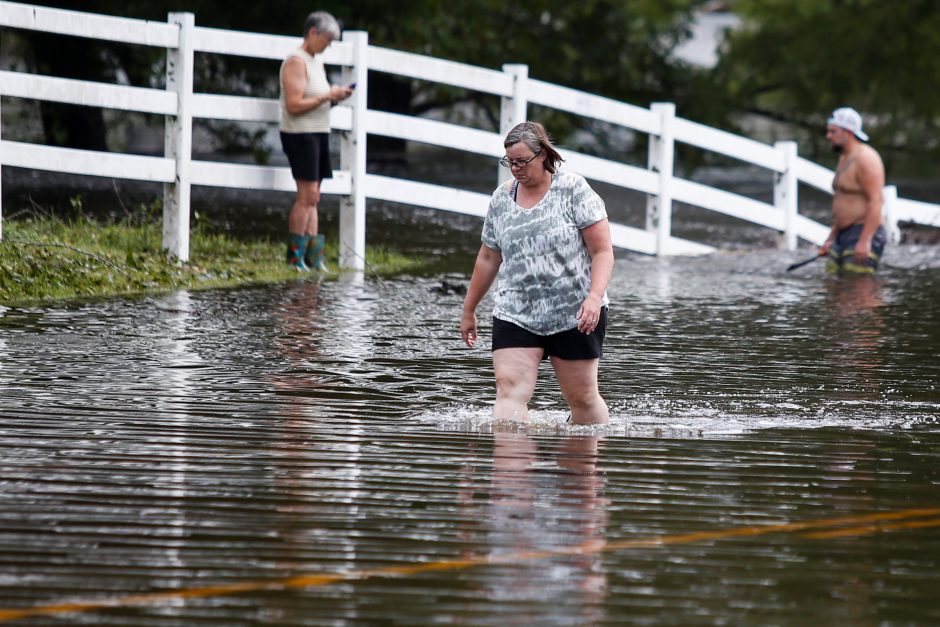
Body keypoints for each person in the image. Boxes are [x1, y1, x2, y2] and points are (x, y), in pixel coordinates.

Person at [460, 121, 614, 425]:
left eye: (522, 161)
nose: (515, 168)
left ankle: (585, 466)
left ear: (542, 154)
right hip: (516, 312)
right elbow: (489, 257)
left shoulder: (573, 189)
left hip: (575, 312)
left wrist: (594, 298)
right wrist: (469, 309)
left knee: (582, 396)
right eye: (510, 162)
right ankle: (511, 470)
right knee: (509, 390)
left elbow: (602, 251)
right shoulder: (501, 199)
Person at [279, 11, 353, 271]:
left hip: (318, 131)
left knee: (314, 197)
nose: (328, 45)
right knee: (306, 195)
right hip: (300, 134)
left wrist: (334, 97)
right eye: (327, 39)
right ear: (313, 32)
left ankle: (313, 256)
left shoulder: (315, 61)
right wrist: (326, 96)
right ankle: (294, 258)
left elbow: (315, 99)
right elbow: (293, 105)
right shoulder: (296, 61)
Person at [820, 107, 887, 274]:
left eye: (833, 132)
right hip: (843, 233)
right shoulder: (844, 157)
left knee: (858, 288)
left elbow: (876, 201)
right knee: (833, 284)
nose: (829, 136)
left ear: (848, 132)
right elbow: (843, 200)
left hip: (862, 232)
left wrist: (865, 241)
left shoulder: (866, 159)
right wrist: (831, 237)